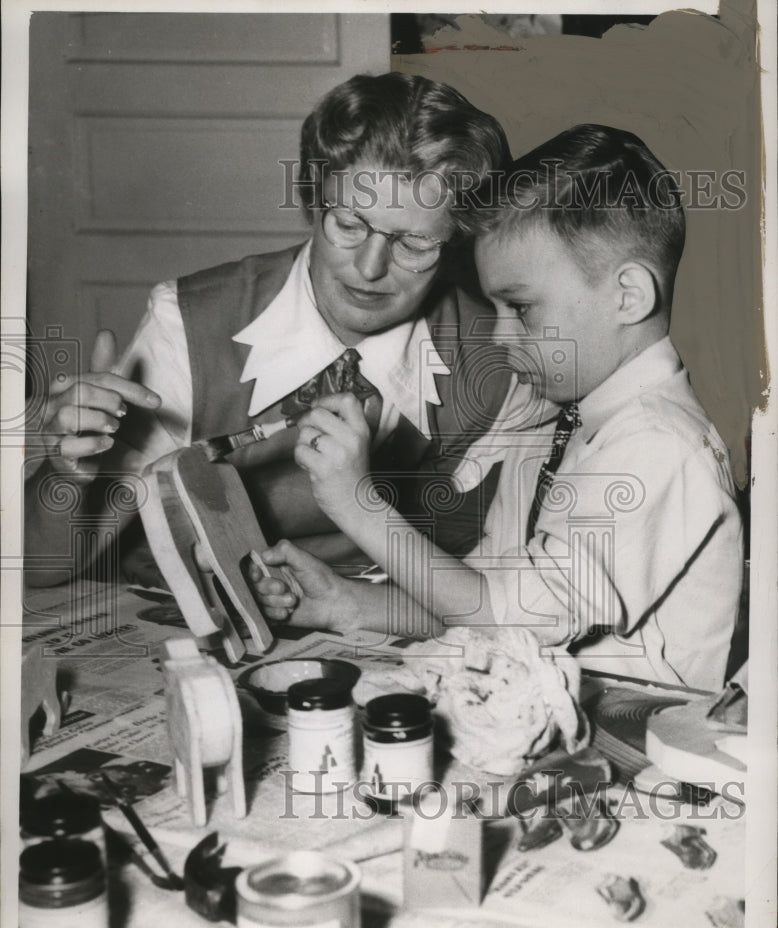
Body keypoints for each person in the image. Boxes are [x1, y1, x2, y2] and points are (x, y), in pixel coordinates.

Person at [254, 124, 743, 691]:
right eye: (496, 309)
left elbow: (520, 618)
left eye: (522, 308)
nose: (499, 336)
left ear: (628, 296)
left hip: (638, 733)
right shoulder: (556, 420)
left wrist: (359, 506)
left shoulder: (659, 445)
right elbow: (477, 599)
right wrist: (345, 603)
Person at [24, 72, 513, 587]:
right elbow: (40, 568)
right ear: (312, 202)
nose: (370, 268)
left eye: (413, 244)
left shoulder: (499, 356)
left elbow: (489, 589)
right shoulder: (190, 324)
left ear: (456, 241)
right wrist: (66, 474)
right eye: (348, 224)